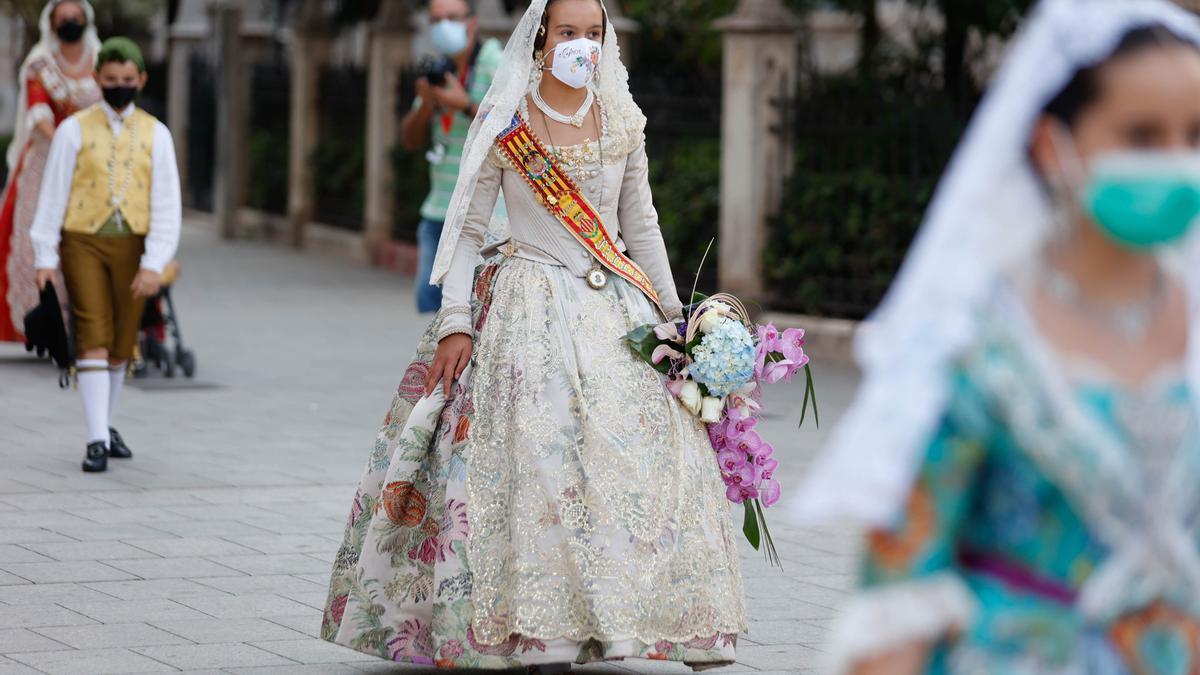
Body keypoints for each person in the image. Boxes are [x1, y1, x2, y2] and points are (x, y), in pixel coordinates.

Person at [321, 0, 746, 671]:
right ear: (542, 36)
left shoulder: (622, 120)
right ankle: (538, 630)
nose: (582, 44)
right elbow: (464, 227)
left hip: (616, 315)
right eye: (569, 32)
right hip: (527, 305)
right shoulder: (507, 120)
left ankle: (659, 618)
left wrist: (676, 318)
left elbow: (642, 224)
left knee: (639, 460)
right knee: (537, 465)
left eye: (593, 34)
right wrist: (455, 322)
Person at [790, 0, 1200, 672]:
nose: (1179, 162)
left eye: (1195, 135)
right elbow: (898, 594)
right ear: (1051, 144)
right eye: (1142, 136)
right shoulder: (973, 341)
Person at [30, 37, 182, 474]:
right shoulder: (72, 129)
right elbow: (53, 194)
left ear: (141, 80)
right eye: (110, 80)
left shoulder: (158, 133)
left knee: (121, 344)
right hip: (82, 240)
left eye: (127, 80)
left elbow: (167, 203)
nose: (118, 87)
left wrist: (155, 263)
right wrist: (45, 254)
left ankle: (106, 425)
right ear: (97, 79)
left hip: (134, 245)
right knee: (93, 331)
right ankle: (96, 438)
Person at [0, 0, 101, 343]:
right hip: (47, 161)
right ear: (53, 22)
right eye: (64, 18)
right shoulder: (40, 64)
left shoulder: (103, 62)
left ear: (86, 20)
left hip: (94, 164)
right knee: (39, 236)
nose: (71, 22)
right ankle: (47, 322)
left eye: (76, 17)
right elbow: (39, 109)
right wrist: (64, 144)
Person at [401, 0, 504, 314]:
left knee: (477, 313)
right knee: (434, 314)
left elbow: (517, 128)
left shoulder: (493, 62)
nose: (442, 26)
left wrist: (466, 105)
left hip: (483, 215)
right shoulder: (441, 69)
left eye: (451, 18)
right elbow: (410, 139)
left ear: (471, 23)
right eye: (435, 20)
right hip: (438, 210)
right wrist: (428, 104)